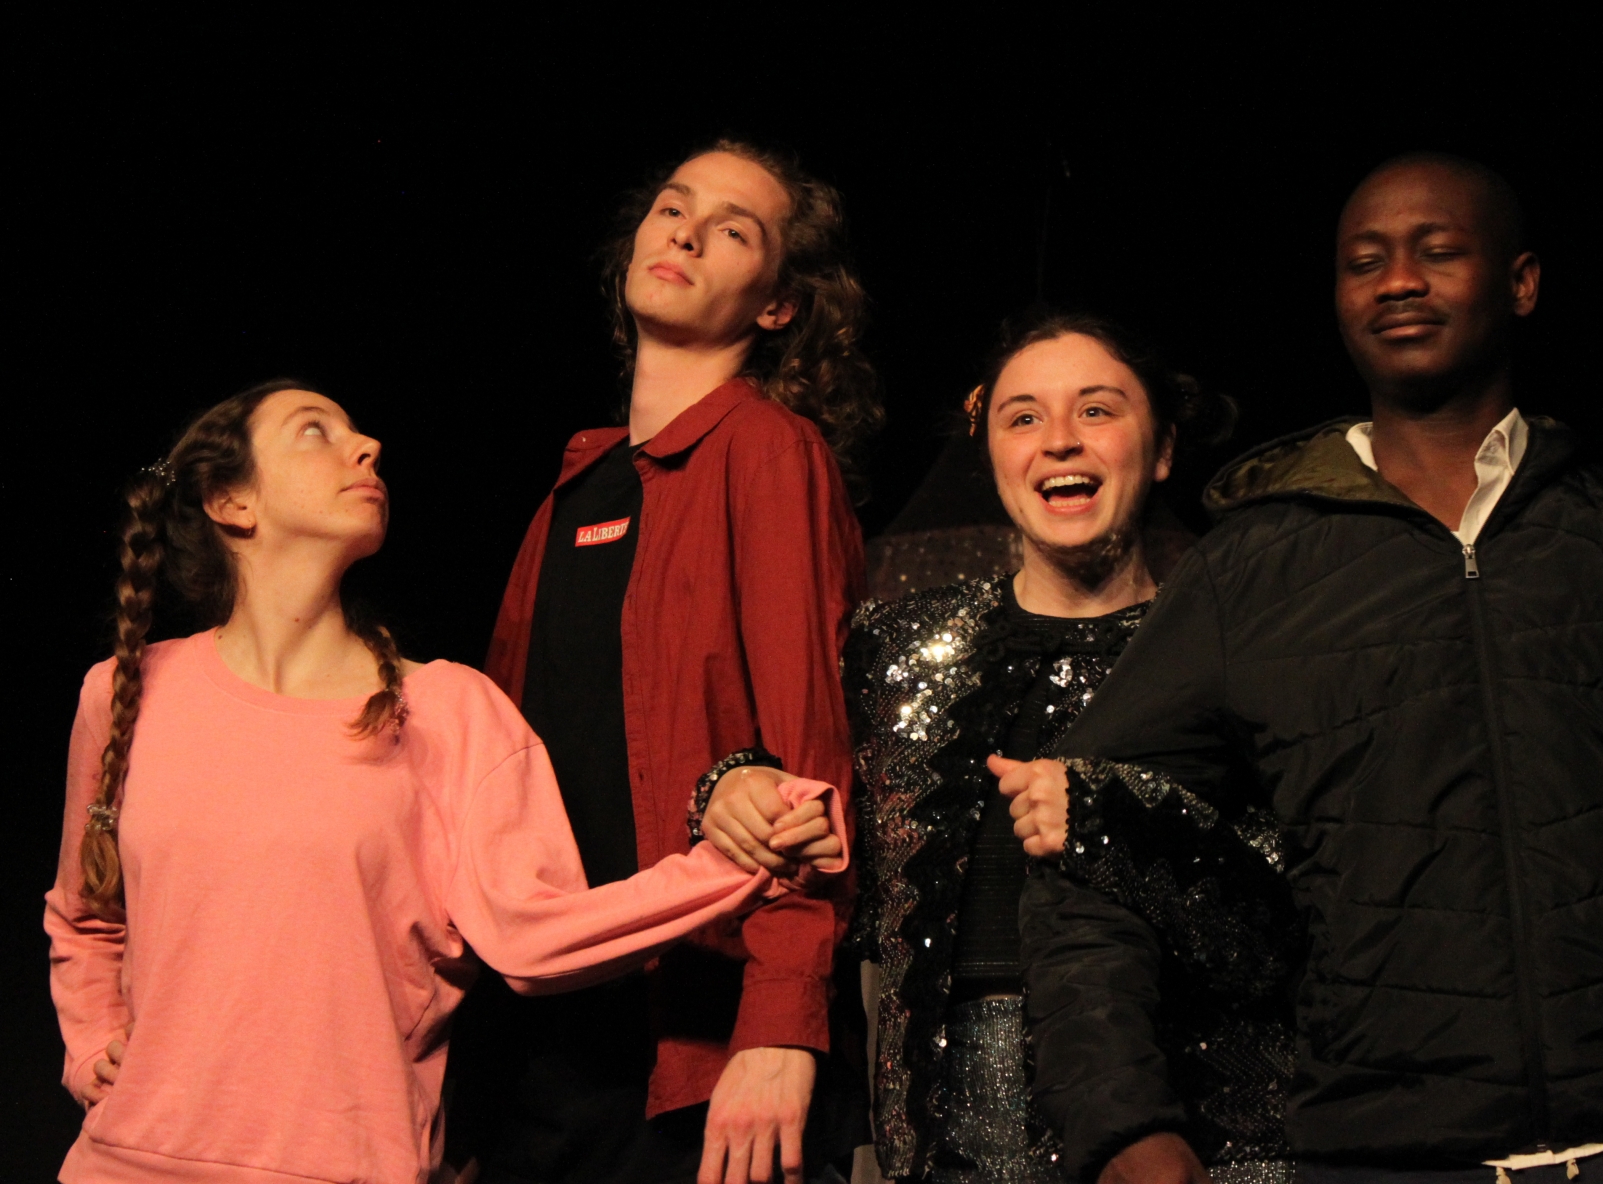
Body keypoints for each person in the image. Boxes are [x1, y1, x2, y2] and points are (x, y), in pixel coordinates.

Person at [1012, 155, 1603, 1183]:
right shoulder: (1254, 565)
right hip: (1382, 1156)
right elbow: (1084, 837)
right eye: (1364, 262)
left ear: (1521, 280)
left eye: (1435, 251)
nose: (1396, 280)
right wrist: (1124, 1127)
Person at [44, 382, 847, 1184]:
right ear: (231, 502)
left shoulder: (447, 708)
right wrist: (89, 1046)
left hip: (338, 1167)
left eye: (360, 430)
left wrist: (738, 861)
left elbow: (536, 936)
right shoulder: (127, 692)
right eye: (315, 431)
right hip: (122, 1162)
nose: (367, 447)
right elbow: (84, 915)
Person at [702, 313, 1294, 1184]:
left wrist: (1108, 819)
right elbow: (840, 859)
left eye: (1096, 410)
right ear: (988, 452)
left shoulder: (1236, 650)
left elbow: (1291, 924)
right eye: (1023, 417)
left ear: (1162, 447)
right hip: (951, 1134)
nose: (1058, 440)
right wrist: (733, 784)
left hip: (1203, 1125)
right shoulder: (892, 649)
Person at [447, 140, 882, 1184]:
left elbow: (807, 756)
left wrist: (780, 1024)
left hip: (695, 1050)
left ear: (776, 304)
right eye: (672, 208)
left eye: (732, 228)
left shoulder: (768, 450)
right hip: (546, 1050)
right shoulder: (576, 485)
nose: (684, 230)